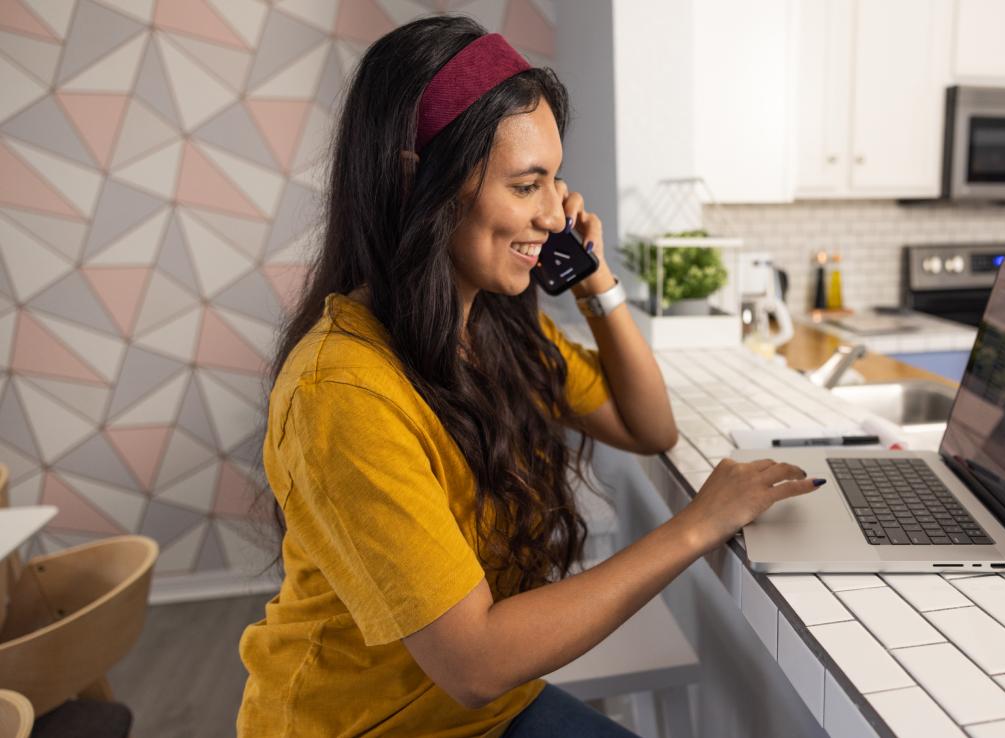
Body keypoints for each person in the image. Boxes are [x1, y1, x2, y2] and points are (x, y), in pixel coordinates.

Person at [236, 15, 824, 737]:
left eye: (555, 179)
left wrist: (595, 283)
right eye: (526, 184)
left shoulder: (493, 325)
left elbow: (648, 427)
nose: (554, 213)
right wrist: (696, 524)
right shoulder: (340, 392)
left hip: (487, 716)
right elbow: (475, 662)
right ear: (420, 183)